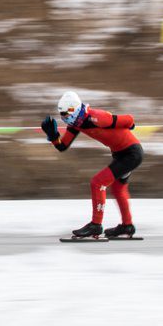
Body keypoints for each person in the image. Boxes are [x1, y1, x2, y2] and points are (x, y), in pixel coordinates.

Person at [40, 91, 143, 239]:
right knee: (118, 188)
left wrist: (128, 126)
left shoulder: (97, 117)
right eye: (62, 114)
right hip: (121, 154)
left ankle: (96, 225)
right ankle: (127, 226)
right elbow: (62, 146)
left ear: (75, 109)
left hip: (131, 153)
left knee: (98, 182)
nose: (64, 117)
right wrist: (53, 136)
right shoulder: (76, 124)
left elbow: (129, 119)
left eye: (66, 113)